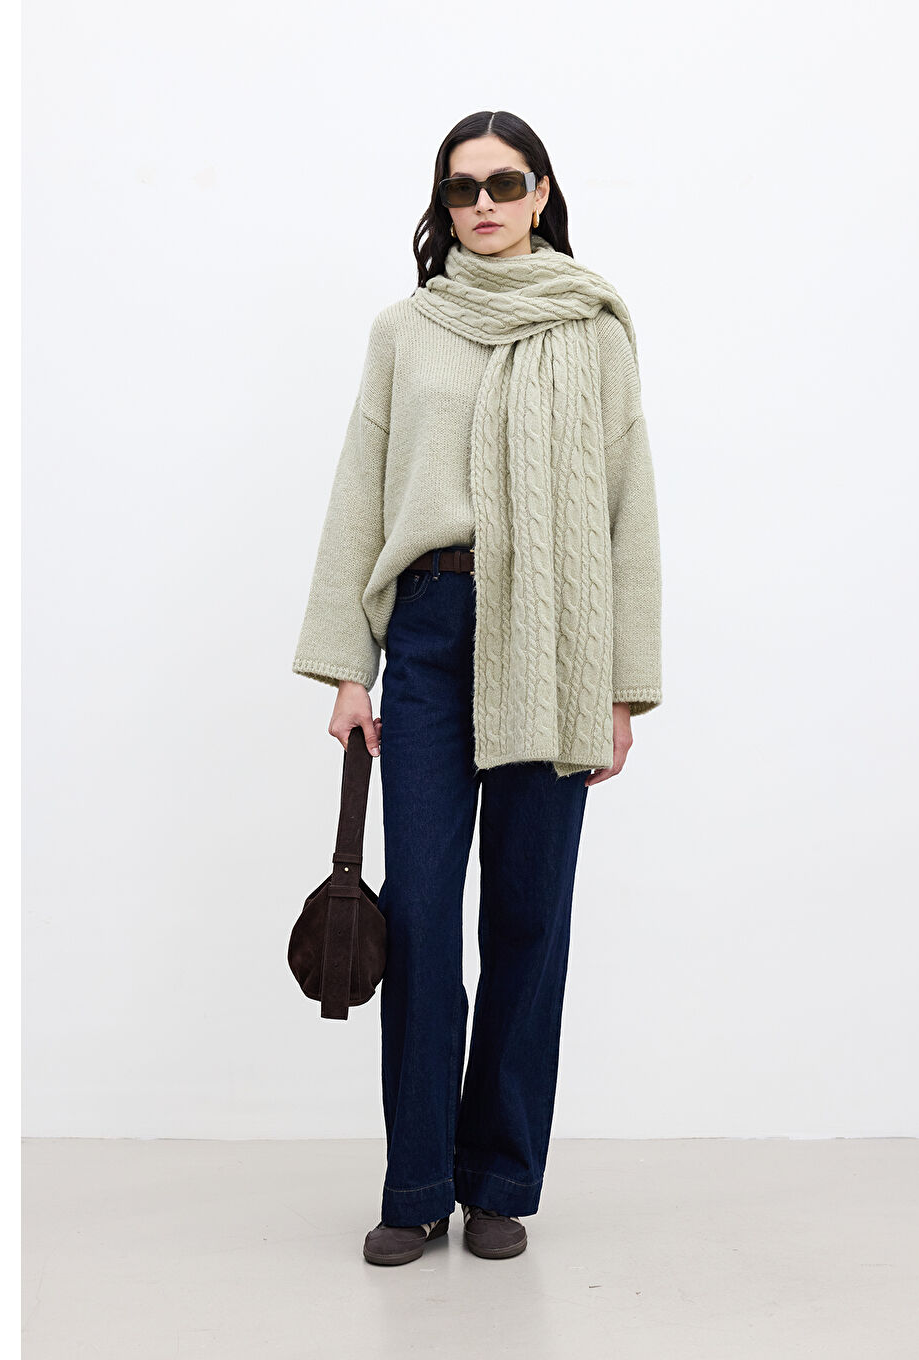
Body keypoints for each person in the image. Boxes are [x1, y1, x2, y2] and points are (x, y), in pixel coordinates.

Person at [291, 110, 662, 1266]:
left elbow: (628, 506)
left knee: (527, 917)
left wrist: (622, 688)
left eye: (506, 183)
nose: (486, 204)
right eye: (464, 188)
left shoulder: (592, 327)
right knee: (418, 910)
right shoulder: (406, 330)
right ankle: (416, 1185)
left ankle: (500, 1177)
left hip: (556, 633)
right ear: (443, 203)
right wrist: (349, 665)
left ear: (542, 191)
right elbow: (361, 489)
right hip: (433, 632)